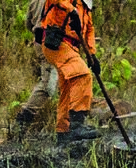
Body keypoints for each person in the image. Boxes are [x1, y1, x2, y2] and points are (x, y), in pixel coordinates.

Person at [40, 0, 101, 144]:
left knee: (68, 88)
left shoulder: (86, 8)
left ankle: (63, 132)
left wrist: (92, 55)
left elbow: (89, 31)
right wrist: (71, 10)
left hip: (72, 47)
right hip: (57, 42)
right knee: (82, 75)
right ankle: (77, 125)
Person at [16, 0, 58, 126]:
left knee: (57, 80)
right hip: (53, 41)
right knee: (48, 84)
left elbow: (28, 24)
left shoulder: (34, 1)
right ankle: (25, 116)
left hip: (40, 40)